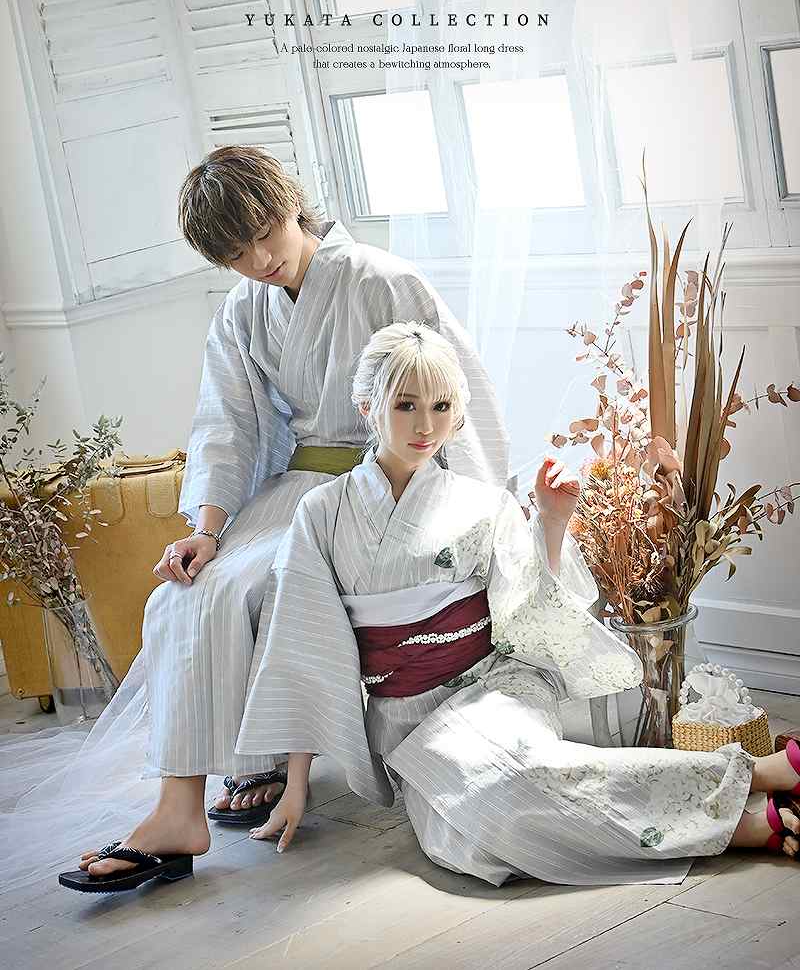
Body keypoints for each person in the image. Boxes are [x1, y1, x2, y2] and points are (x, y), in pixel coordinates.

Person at [0, 147, 510, 895]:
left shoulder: (382, 280)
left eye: (266, 234)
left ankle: (259, 761)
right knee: (186, 594)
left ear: (290, 204)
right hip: (300, 485)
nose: (260, 261)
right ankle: (178, 810)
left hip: (388, 482)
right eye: (236, 255)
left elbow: (457, 397)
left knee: (263, 583)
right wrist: (206, 531)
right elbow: (227, 424)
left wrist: (470, 514)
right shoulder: (244, 311)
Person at [240, 322, 800, 886]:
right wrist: (296, 785)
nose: (426, 425)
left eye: (441, 406)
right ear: (367, 406)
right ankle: (751, 786)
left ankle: (751, 808)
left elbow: (531, 607)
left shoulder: (483, 504)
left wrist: (552, 520)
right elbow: (305, 644)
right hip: (405, 717)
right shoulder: (322, 513)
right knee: (468, 844)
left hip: (495, 685)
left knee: (516, 777)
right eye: (406, 405)